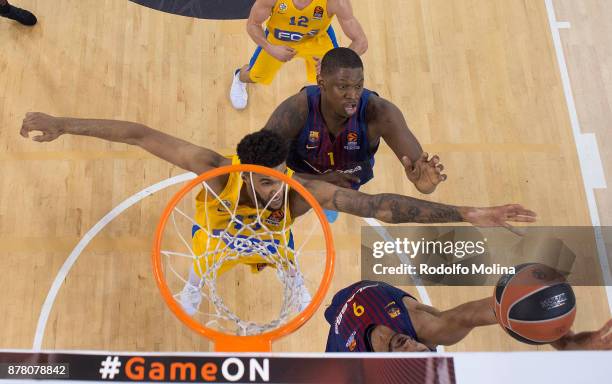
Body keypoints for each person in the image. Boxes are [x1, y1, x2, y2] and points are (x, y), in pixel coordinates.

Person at [20, 112, 536, 314]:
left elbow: (382, 205)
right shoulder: (214, 170)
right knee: (203, 261)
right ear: (243, 168)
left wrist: (469, 212)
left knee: (289, 250)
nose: (268, 188)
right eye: (260, 180)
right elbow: (137, 133)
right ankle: (201, 281)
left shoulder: (296, 192)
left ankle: (280, 275)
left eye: (274, 181)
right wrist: (63, 124)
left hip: (269, 242)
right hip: (217, 230)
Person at [263, 47, 444, 221]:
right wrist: (319, 183)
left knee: (342, 198)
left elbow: (423, 181)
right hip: (306, 175)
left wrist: (425, 185)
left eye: (358, 86)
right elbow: (263, 170)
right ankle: (324, 198)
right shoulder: (296, 110)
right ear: (321, 83)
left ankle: (329, 201)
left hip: (349, 175)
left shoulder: (381, 113)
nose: (353, 95)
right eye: (343, 87)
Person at [325, 280, 612, 352]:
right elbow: (495, 312)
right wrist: (568, 343)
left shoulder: (348, 360)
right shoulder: (424, 326)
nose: (410, 345)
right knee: (437, 319)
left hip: (340, 318)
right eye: (422, 349)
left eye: (412, 353)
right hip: (371, 292)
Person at [230, 0, 367, 110]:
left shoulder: (336, 2)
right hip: (277, 42)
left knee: (333, 78)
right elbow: (253, 24)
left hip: (316, 41)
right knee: (255, 75)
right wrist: (270, 48)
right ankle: (238, 77)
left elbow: (361, 41)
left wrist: (336, 63)